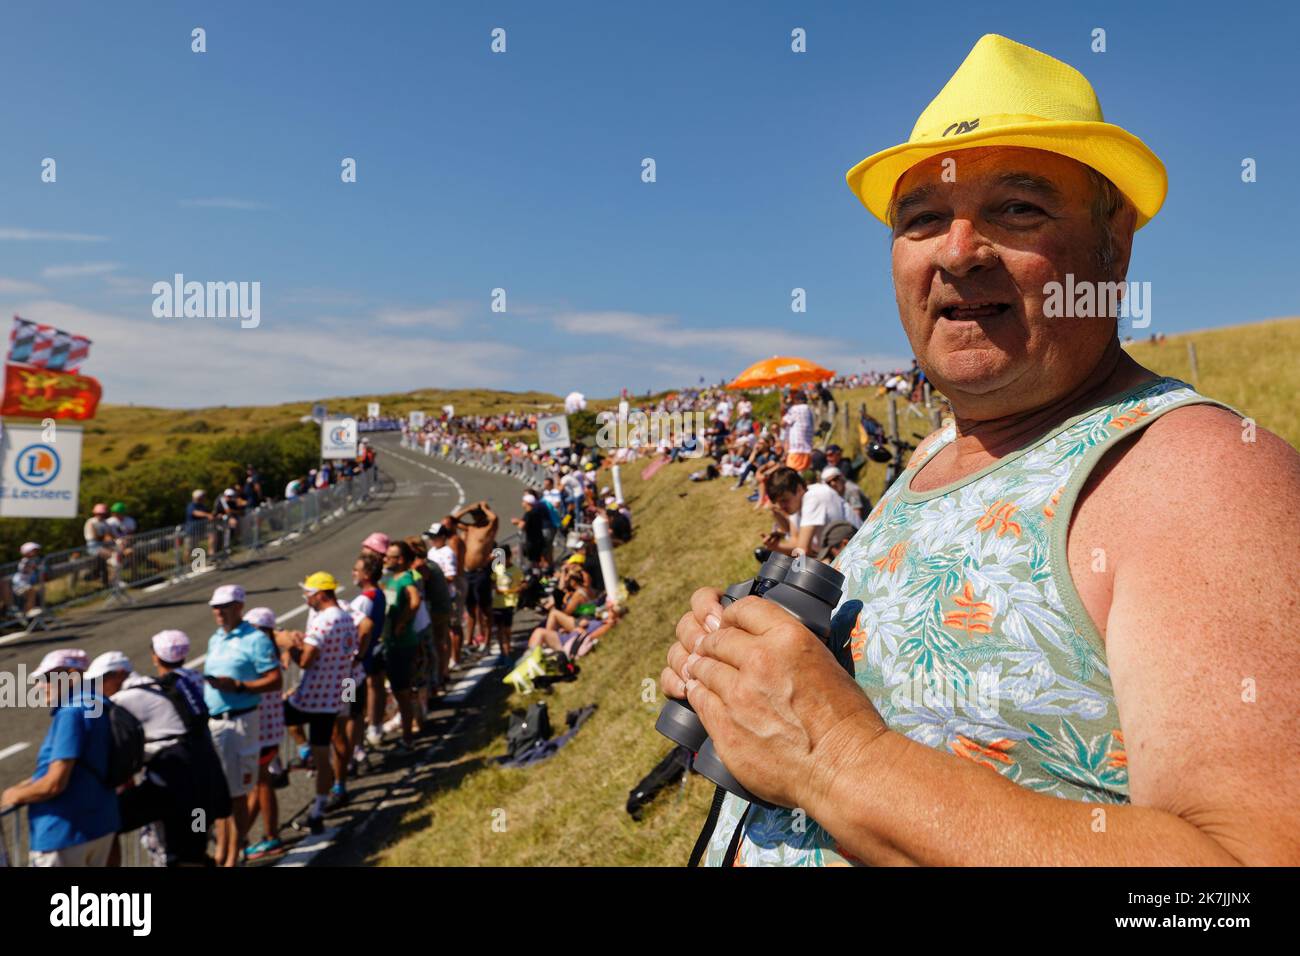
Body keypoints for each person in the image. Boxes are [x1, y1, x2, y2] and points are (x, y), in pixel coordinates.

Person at [662, 34, 1300, 866]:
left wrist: (834, 756)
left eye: (1018, 210)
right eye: (923, 218)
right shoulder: (931, 460)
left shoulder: (1200, 473)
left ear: (1118, 240)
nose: (958, 251)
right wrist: (737, 680)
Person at [87, 644, 225, 867]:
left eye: (100, 680)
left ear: (120, 674)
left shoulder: (124, 699)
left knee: (108, 820)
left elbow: (112, 746)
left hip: (173, 781)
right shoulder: (156, 685)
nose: (97, 688)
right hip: (203, 779)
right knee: (193, 846)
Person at [1, 649, 119, 867]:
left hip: (65, 831)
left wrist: (14, 794)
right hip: (101, 822)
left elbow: (55, 783)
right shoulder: (99, 703)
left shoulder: (71, 713)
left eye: (46, 679)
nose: (39, 686)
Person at [203, 584, 282, 866]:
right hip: (216, 722)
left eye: (223, 607)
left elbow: (275, 679)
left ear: (239, 608)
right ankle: (223, 851)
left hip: (240, 721)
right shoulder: (216, 638)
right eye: (215, 607)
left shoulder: (255, 639)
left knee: (236, 794)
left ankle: (233, 856)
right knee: (221, 794)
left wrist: (239, 685)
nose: (218, 612)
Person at [282, 572, 357, 833]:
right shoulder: (348, 617)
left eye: (309, 594)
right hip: (336, 694)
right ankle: (322, 805)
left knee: (273, 718)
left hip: (313, 695)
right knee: (328, 749)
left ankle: (289, 762)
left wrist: (291, 647)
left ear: (321, 594)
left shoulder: (324, 620)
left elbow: (305, 660)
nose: (306, 598)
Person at [240, 609, 288, 861]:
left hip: (262, 728)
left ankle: (271, 837)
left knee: (260, 784)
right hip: (268, 727)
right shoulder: (268, 648)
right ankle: (242, 834)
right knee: (257, 785)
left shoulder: (261, 653)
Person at [380, 540, 423, 752]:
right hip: (389, 643)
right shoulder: (389, 579)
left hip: (400, 644)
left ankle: (407, 737)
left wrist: (402, 623)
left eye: (390, 556)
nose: (385, 559)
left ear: (401, 560)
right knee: (388, 688)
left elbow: (415, 601)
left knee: (402, 691)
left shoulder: (405, 578)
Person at [454, 500, 499, 652]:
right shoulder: (470, 528)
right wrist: (468, 509)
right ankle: (469, 640)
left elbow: (494, 518)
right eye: (473, 515)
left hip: (481, 573)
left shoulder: (489, 529)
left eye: (477, 515)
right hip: (468, 573)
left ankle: (486, 640)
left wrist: (485, 508)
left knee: (485, 609)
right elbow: (452, 520)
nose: (475, 518)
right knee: (470, 609)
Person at [424, 524, 461, 669]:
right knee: (441, 634)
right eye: (431, 537)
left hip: (448, 596)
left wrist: (435, 582)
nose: (432, 540)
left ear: (443, 537)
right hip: (435, 598)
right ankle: (444, 663)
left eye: (435, 537)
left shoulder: (447, 552)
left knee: (452, 629)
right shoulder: (432, 551)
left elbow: (451, 576)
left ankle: (455, 658)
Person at [491, 545, 523, 657]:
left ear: (510, 557)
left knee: (507, 628)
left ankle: (508, 647)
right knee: (499, 628)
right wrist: (496, 588)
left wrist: (516, 589)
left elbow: (521, 583)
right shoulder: (497, 569)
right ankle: (502, 650)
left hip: (510, 603)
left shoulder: (516, 570)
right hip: (497, 603)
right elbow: (493, 583)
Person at [781, 391, 815, 472]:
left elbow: (783, 423)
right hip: (807, 449)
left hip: (796, 449)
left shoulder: (795, 409)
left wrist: (782, 404)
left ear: (796, 400)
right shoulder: (808, 409)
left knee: (791, 473)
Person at [11, 541, 46, 617]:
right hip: (19, 584)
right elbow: (28, 568)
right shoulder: (25, 561)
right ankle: (28, 611)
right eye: (33, 551)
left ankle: (27, 612)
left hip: (24, 583)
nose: (36, 552)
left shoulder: (32, 560)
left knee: (34, 592)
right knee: (31, 591)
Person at [82, 502, 113, 586]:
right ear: (95, 513)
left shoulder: (105, 523)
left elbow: (109, 535)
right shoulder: (91, 522)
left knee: (114, 556)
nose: (100, 515)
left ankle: (106, 580)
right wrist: (104, 537)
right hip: (93, 547)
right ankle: (105, 580)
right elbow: (92, 537)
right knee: (112, 556)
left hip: (104, 546)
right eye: (99, 513)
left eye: (102, 514)